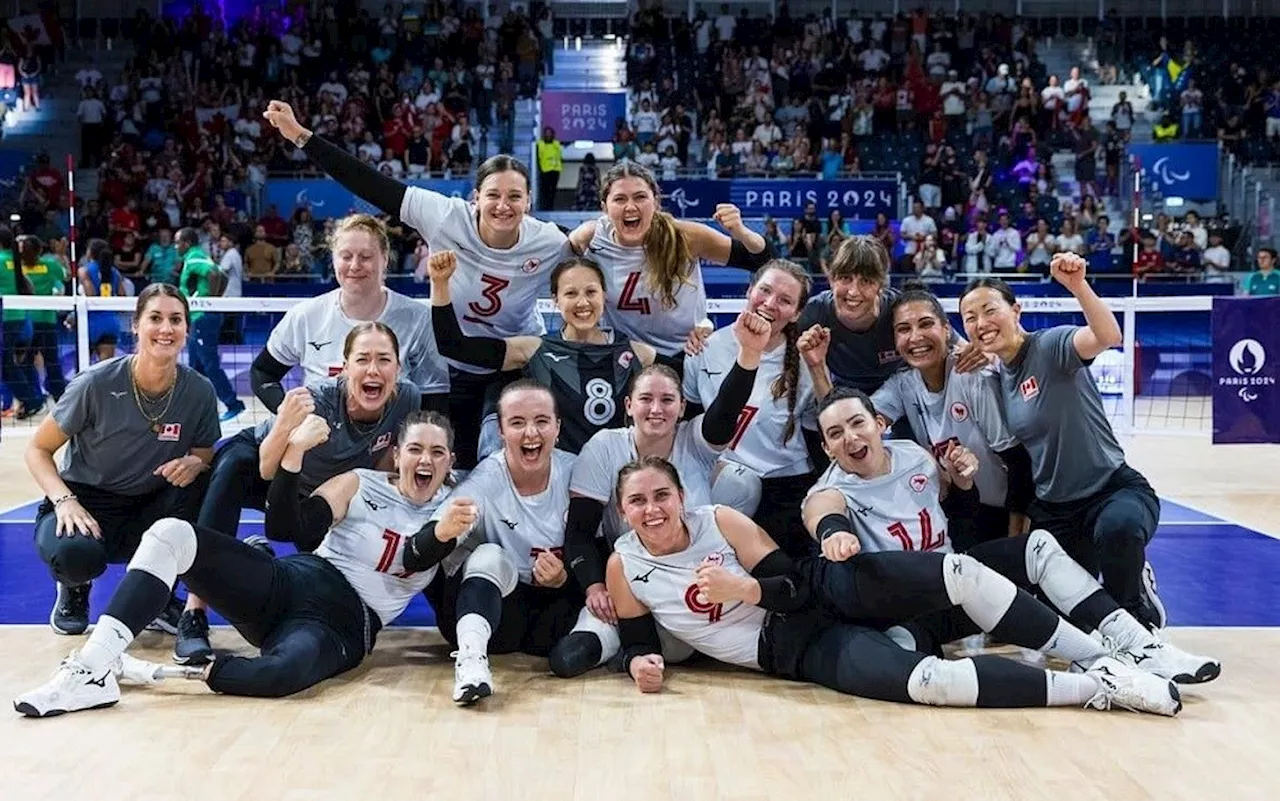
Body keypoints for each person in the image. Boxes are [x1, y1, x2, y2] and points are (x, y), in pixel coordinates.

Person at [606, 457, 1183, 716]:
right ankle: (1100, 688)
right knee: (929, 683)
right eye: (638, 500)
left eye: (662, 496)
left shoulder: (719, 522)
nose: (652, 509)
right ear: (622, 511)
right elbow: (636, 639)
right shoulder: (625, 565)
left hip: (826, 591)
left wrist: (746, 590)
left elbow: (794, 585)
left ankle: (1109, 653)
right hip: (793, 649)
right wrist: (639, 665)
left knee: (958, 572)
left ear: (680, 497)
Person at [14, 411, 469, 717]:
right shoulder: (361, 482)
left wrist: (445, 530)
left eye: (436, 452)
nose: (424, 459)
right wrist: (292, 457)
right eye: (415, 449)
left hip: (345, 624)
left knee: (278, 677)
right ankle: (91, 667)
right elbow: (291, 525)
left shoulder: (456, 509)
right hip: (295, 580)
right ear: (398, 454)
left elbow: (419, 553)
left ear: (450, 461)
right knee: (172, 533)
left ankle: (148, 671)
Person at [802, 387, 1220, 686]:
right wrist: (834, 535)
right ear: (827, 448)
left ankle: (1139, 645)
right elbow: (823, 514)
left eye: (858, 423)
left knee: (1036, 547)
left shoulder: (913, 455)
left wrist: (962, 480)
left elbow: (951, 504)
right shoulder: (828, 489)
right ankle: (1102, 665)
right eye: (836, 433)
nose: (851, 437)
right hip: (912, 609)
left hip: (963, 584)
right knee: (902, 653)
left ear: (878, 424)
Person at [263, 99, 566, 471]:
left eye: (515, 197)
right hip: (453, 362)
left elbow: (599, 256)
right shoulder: (443, 216)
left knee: (511, 459)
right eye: (494, 195)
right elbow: (370, 183)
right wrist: (301, 137)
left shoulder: (549, 241)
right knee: (452, 465)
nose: (504, 206)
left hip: (514, 361)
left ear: (529, 201)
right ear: (476, 198)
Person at [176, 322, 420, 665]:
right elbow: (266, 467)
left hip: (315, 484)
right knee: (232, 470)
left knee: (310, 549)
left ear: (398, 366)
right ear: (345, 366)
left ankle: (257, 559)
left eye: (384, 359)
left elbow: (381, 463)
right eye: (363, 359)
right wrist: (287, 427)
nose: (373, 369)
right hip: (266, 461)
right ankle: (194, 613)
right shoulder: (319, 399)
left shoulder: (407, 397)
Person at [959, 254, 1167, 629]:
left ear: (1016, 310)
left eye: (990, 310)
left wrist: (1077, 286)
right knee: (1067, 621)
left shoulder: (1050, 347)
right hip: (1056, 511)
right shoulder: (997, 377)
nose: (980, 323)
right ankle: (1122, 577)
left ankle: (1137, 609)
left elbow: (1108, 336)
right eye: (970, 318)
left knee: (1118, 531)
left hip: (1110, 490)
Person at [25, 284, 219, 638]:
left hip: (151, 503)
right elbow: (37, 450)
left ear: (187, 329)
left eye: (176, 320)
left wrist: (196, 462)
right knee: (75, 556)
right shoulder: (95, 384)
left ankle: (158, 597)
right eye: (155, 318)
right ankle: (75, 586)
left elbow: (205, 451)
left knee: (208, 482)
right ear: (136, 325)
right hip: (88, 501)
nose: (166, 329)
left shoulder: (199, 390)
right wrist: (65, 501)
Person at [564, 312, 771, 636]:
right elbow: (579, 532)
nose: (656, 409)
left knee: (742, 482)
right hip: (636, 575)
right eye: (646, 399)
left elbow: (724, 412)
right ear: (629, 406)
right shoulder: (604, 447)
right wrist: (593, 587)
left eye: (667, 400)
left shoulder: (693, 439)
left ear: (682, 406)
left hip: (697, 573)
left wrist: (749, 356)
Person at [444, 380, 618, 705]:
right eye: (517, 422)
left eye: (541, 421)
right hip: (503, 613)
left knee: (570, 656)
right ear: (500, 430)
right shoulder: (485, 479)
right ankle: (471, 662)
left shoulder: (578, 471)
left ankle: (606, 649)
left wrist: (568, 576)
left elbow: (604, 545)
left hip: (561, 609)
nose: (531, 434)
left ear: (557, 426)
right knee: (487, 556)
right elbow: (438, 536)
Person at [840, 284, 1036, 544]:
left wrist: (1016, 538)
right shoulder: (903, 383)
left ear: (946, 330)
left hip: (1001, 513)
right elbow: (857, 423)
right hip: (954, 509)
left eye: (925, 324)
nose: (915, 337)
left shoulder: (974, 376)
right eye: (904, 329)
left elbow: (1018, 462)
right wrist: (818, 367)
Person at [429, 250, 655, 455]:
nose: (582, 302)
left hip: (618, 476)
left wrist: (693, 336)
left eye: (591, 292)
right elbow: (453, 346)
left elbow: (686, 385)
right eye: (571, 294)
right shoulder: (534, 350)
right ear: (556, 300)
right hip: (555, 478)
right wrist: (440, 284)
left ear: (604, 296)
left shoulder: (636, 353)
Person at [566, 161, 774, 372]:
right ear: (604, 207)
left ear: (655, 202)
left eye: (640, 197)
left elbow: (764, 260)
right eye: (620, 199)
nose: (630, 207)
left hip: (687, 353)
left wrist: (741, 233)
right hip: (625, 358)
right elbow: (552, 265)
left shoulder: (684, 236)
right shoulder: (592, 239)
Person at [683, 260, 821, 557]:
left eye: (785, 301)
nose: (770, 303)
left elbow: (818, 433)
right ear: (749, 290)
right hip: (719, 481)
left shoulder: (806, 362)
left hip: (785, 488)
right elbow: (689, 423)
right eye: (765, 290)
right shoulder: (705, 348)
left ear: (796, 313)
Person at [249, 213, 448, 415]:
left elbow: (435, 397)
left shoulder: (419, 318)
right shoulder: (305, 316)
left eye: (366, 257)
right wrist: (290, 415)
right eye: (346, 256)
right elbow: (262, 372)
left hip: (392, 441)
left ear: (385, 259)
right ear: (334, 260)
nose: (354, 266)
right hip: (321, 442)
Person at [176, 227, 244, 421]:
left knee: (209, 364)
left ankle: (232, 403)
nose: (175, 246)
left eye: (177, 242)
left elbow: (216, 274)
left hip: (204, 317)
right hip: (198, 317)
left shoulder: (195, 257)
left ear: (187, 243)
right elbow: (220, 274)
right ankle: (195, 410)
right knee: (195, 366)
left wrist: (211, 302)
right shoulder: (198, 256)